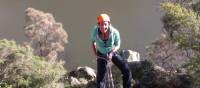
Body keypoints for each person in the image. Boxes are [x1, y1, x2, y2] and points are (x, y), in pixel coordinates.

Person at [90, 13, 132, 88]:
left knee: (126, 71)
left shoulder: (115, 32)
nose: (103, 27)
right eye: (101, 24)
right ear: (98, 24)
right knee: (100, 78)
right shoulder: (95, 31)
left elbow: (117, 44)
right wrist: (96, 54)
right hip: (101, 54)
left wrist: (112, 53)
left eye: (105, 24)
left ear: (109, 24)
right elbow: (93, 42)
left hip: (111, 52)